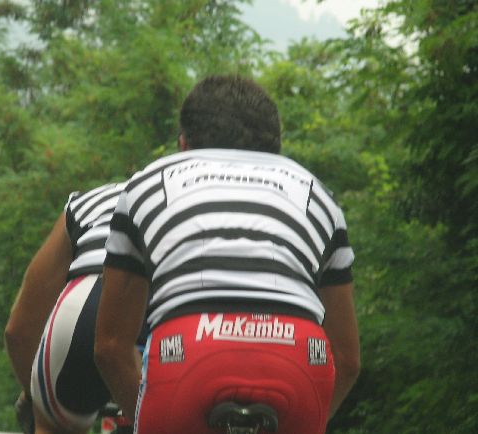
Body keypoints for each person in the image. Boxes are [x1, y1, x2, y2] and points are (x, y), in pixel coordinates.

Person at [94, 75, 360, 434]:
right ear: (276, 149)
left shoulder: (145, 185)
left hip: (186, 354)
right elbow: (347, 359)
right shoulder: (318, 194)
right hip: (297, 358)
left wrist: (148, 419)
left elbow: (110, 346)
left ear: (183, 144)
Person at [5, 181, 134, 434]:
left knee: (53, 424)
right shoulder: (208, 197)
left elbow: (19, 332)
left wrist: (38, 401)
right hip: (181, 316)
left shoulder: (90, 201)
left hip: (85, 304)